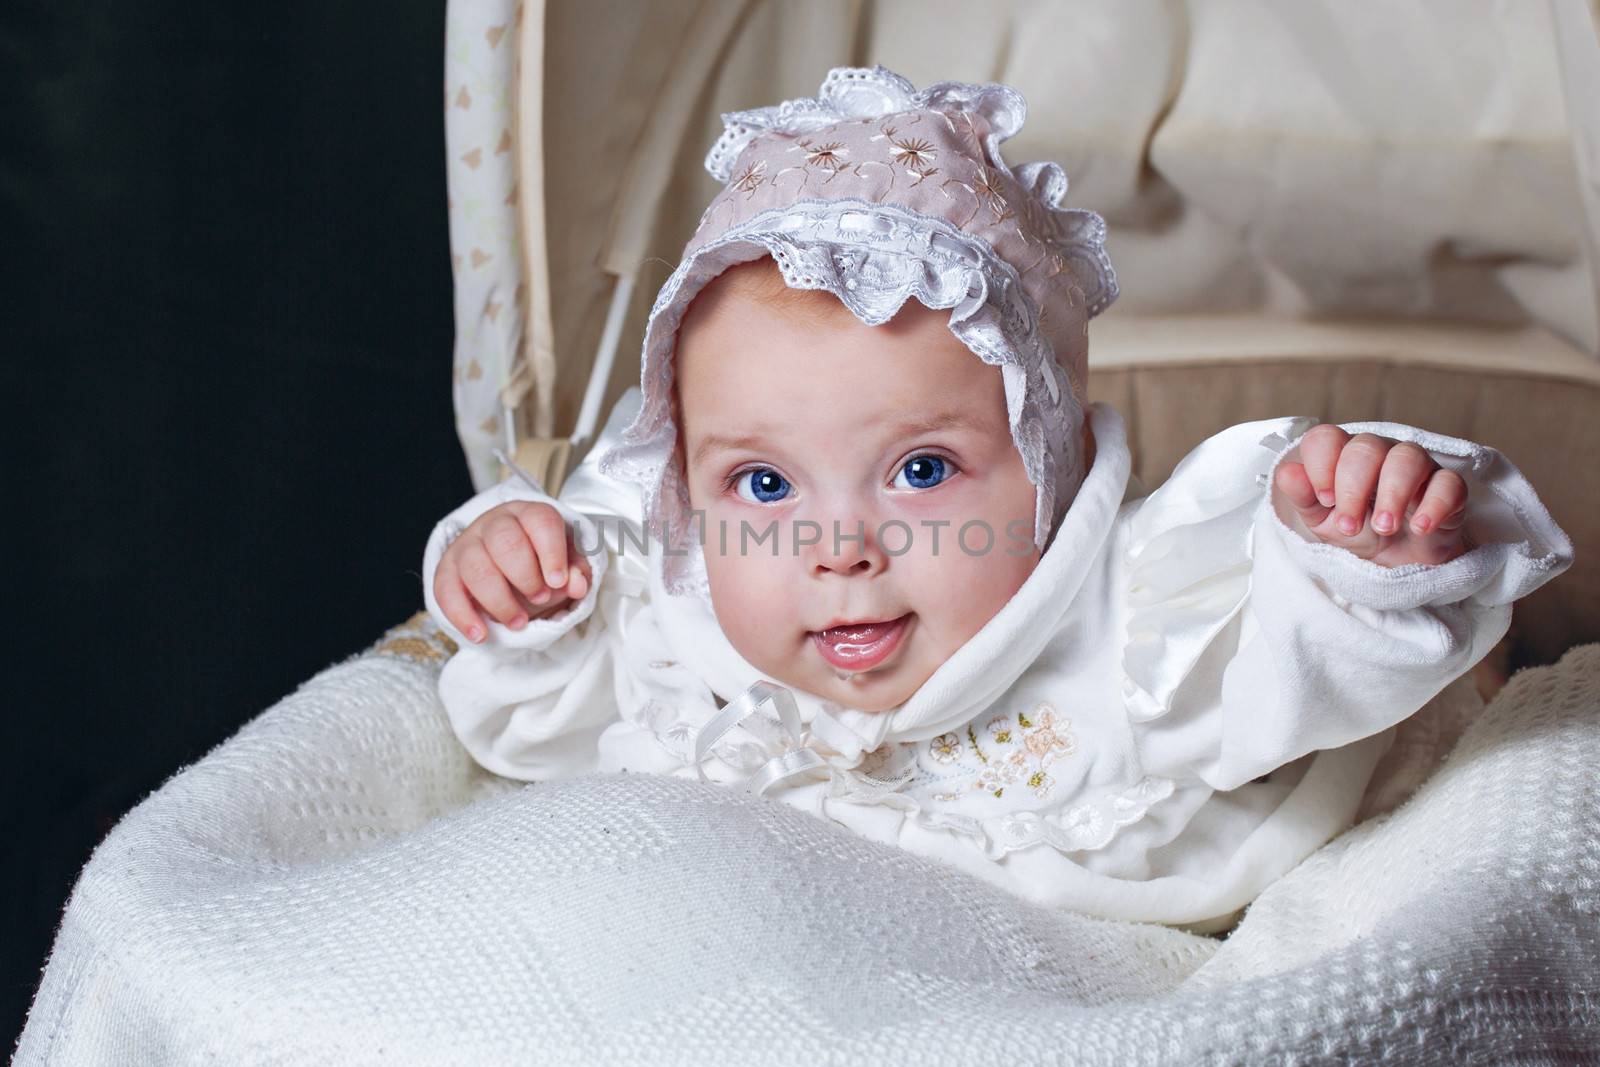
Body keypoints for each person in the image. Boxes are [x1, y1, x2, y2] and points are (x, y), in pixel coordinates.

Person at [421, 66, 1573, 934]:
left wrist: (1348, 557)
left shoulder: (1136, 624)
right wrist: (527, 599)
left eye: (921, 470)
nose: (838, 548)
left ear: (1052, 463)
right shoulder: (680, 611)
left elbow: (1298, 676)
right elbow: (537, 727)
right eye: (762, 483)